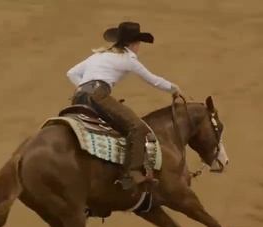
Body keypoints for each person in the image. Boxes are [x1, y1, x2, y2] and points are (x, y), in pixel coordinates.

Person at [66, 22, 181, 190]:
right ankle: (132, 172)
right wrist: (174, 89)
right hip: (99, 96)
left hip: (78, 97)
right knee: (138, 127)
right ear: (134, 43)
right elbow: (153, 80)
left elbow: (71, 73)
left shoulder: (98, 55)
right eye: (139, 43)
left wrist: (84, 88)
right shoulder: (129, 59)